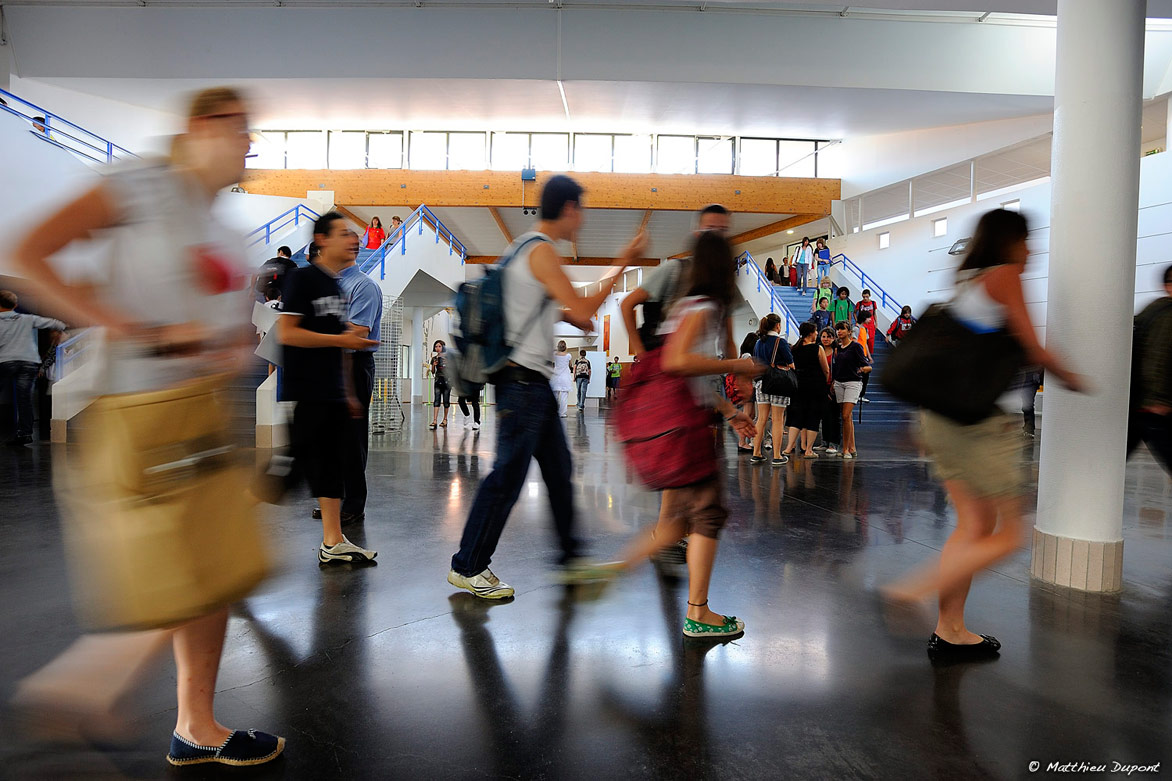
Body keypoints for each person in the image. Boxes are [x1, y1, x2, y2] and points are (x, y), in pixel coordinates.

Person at [10, 86, 285, 767]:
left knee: (221, 570)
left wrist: (224, 347)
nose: (249, 142)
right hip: (143, 414)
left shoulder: (221, 225)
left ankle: (196, 724)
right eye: (238, 127)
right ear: (200, 127)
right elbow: (30, 252)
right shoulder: (141, 185)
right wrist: (128, 325)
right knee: (190, 568)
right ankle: (81, 686)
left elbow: (220, 325)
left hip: (204, 412)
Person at [882, 209, 1085, 660]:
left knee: (974, 525)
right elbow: (1032, 346)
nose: (1032, 250)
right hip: (980, 425)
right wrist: (1076, 377)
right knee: (1010, 535)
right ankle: (911, 592)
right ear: (1011, 243)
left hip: (942, 419)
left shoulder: (968, 282)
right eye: (1027, 241)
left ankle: (950, 627)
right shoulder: (1005, 276)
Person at [448, 174, 648, 599]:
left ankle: (572, 559)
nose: (583, 219)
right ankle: (468, 565)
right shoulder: (541, 251)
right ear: (571, 209)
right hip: (522, 385)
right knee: (507, 476)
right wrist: (624, 260)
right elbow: (585, 308)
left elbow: (563, 313)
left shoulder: (519, 250)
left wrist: (571, 312)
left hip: (527, 385)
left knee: (558, 471)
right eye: (583, 210)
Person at [592, 232, 757, 638]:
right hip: (687, 430)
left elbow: (685, 376)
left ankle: (612, 571)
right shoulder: (703, 307)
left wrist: (730, 411)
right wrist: (738, 364)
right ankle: (698, 612)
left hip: (681, 424)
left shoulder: (684, 307)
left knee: (677, 525)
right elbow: (680, 363)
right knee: (707, 515)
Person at [280, 211, 380, 565]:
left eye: (353, 234)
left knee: (332, 466)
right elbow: (287, 332)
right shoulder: (304, 280)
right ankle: (230, 525)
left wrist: (350, 393)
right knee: (294, 473)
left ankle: (334, 541)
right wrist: (341, 340)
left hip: (334, 387)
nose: (353, 239)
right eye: (343, 233)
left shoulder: (340, 287)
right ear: (321, 241)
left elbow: (348, 342)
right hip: (311, 389)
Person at [620, 204, 732, 356]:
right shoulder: (675, 269)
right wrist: (640, 353)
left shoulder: (724, 281)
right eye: (710, 229)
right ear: (698, 234)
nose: (716, 237)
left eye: (722, 230)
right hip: (668, 366)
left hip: (703, 369)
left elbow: (727, 338)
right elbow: (627, 304)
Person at [334, 237, 383, 523]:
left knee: (352, 438)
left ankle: (352, 503)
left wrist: (319, 328)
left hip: (354, 363)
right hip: (333, 361)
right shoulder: (332, 286)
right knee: (332, 438)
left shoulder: (362, 286)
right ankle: (334, 499)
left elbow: (359, 332)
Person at [0, 291, 67, 446]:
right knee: (24, 399)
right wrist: (61, 330)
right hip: (28, 362)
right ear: (15, 305)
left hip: (5, 361)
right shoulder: (28, 319)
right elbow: (57, 324)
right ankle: (25, 434)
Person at [1128, 264, 1172, 472]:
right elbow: (1157, 358)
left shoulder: (1151, 311)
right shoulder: (1167, 315)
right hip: (1154, 407)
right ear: (1167, 286)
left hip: (1140, 403)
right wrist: (1159, 400)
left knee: (1112, 458)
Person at [750, 313, 794, 466]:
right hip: (778, 384)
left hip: (761, 383)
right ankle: (777, 455)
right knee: (777, 420)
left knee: (761, 419)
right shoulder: (780, 342)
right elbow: (791, 364)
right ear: (777, 326)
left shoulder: (758, 343)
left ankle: (756, 453)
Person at [788, 321, 831, 458]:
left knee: (797, 417)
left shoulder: (794, 348)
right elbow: (826, 369)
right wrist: (824, 383)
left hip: (799, 385)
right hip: (816, 385)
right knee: (813, 417)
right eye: (816, 331)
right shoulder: (817, 348)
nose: (817, 333)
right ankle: (809, 450)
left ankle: (788, 448)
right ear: (811, 333)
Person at [833, 320, 869, 459]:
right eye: (838, 329)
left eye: (842, 329)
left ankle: (846, 449)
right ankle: (852, 447)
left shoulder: (856, 347)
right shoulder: (838, 347)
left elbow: (866, 365)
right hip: (839, 382)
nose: (839, 332)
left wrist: (863, 369)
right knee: (847, 417)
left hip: (853, 382)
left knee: (846, 415)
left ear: (849, 331)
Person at [818, 327, 842, 455]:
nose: (826, 339)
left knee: (834, 415)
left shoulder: (836, 351)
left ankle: (834, 443)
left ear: (833, 338)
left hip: (834, 386)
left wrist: (834, 382)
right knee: (824, 415)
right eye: (823, 336)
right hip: (822, 386)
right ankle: (825, 441)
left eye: (828, 337)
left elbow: (839, 368)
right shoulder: (819, 350)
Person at [736, 331, 759, 453]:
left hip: (748, 387)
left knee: (751, 415)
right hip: (748, 388)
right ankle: (742, 442)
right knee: (747, 415)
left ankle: (745, 441)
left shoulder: (743, 355)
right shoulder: (747, 356)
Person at [428, 339, 451, 429]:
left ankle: (445, 419)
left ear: (443, 347)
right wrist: (434, 365)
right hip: (438, 380)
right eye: (436, 346)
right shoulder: (434, 358)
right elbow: (433, 372)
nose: (437, 348)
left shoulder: (448, 358)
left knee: (446, 400)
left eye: (439, 346)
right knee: (436, 400)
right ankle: (434, 420)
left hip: (447, 381)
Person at [855, 309, 874, 404]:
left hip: (864, 355)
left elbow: (865, 343)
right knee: (860, 376)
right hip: (858, 356)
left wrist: (869, 356)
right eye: (868, 317)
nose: (870, 319)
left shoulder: (864, 329)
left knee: (865, 377)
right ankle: (857, 395)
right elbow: (854, 342)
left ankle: (861, 395)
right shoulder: (856, 328)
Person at [551, 340, 573, 417]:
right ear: (565, 347)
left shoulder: (554, 354)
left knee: (555, 396)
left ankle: (553, 412)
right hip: (565, 376)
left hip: (556, 376)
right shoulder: (568, 355)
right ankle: (562, 413)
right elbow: (570, 365)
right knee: (564, 396)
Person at [854, 289, 879, 354]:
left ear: (869, 296)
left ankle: (870, 354)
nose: (865, 298)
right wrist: (857, 321)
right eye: (864, 297)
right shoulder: (859, 303)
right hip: (862, 324)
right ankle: (862, 353)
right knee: (862, 339)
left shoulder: (873, 303)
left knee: (871, 340)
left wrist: (876, 323)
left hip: (871, 324)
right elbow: (854, 312)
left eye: (867, 297)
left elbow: (874, 313)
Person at [1021, 369, 1043, 438]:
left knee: (1027, 404)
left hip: (1031, 379)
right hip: (1031, 378)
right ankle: (1028, 430)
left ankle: (1029, 430)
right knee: (1027, 404)